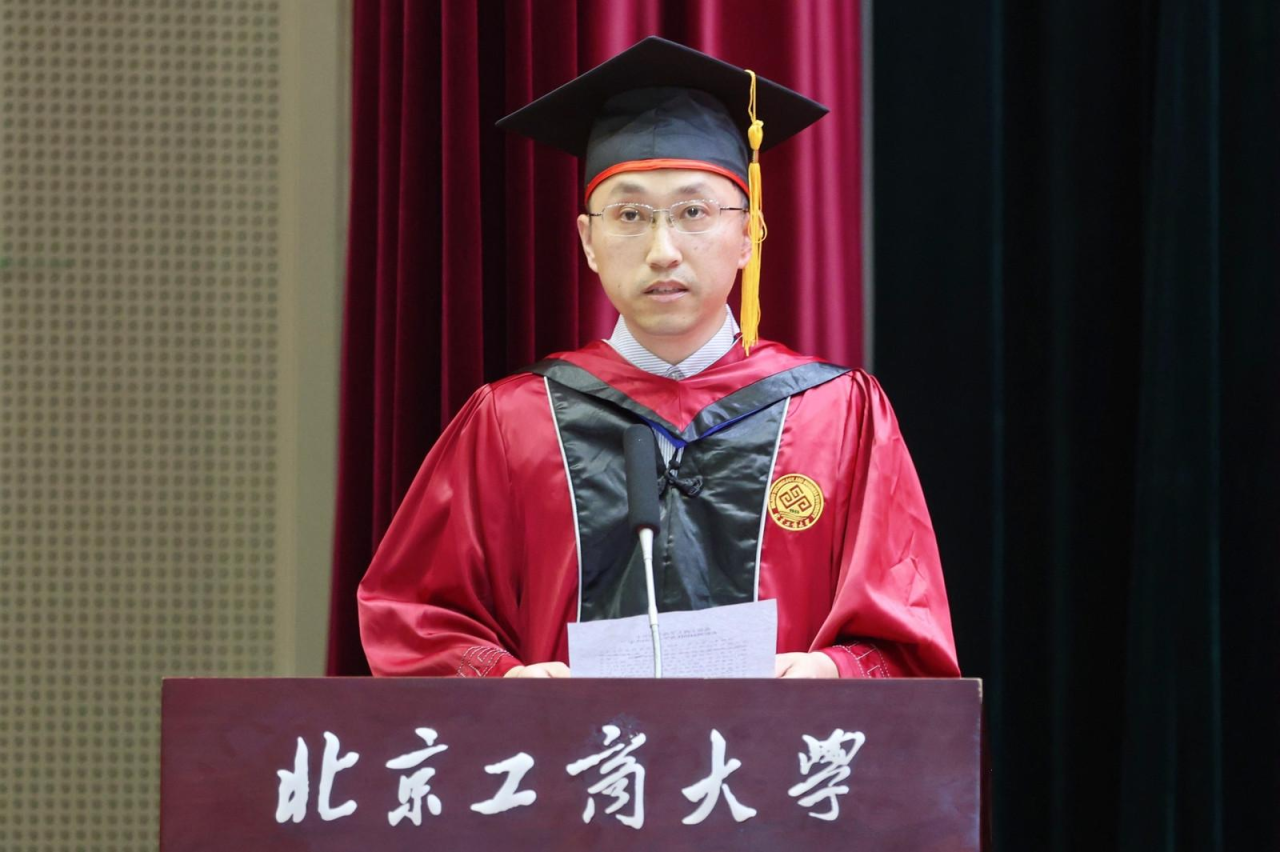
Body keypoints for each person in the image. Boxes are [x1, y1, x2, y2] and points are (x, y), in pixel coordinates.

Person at [357, 37, 960, 680]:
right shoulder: (513, 421)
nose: (663, 249)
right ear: (588, 241)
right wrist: (503, 680)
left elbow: (906, 641)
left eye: (693, 211)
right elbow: (417, 617)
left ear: (747, 233)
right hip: (575, 747)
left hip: (772, 747)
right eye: (630, 215)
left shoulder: (835, 416)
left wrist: (834, 672)